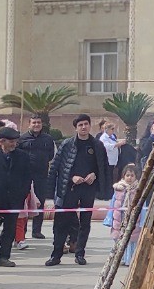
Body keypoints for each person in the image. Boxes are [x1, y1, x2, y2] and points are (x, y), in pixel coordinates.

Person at [46, 113, 108, 266]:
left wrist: (95, 175)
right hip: (69, 188)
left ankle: (80, 253)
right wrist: (70, 177)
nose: (83, 127)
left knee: (85, 222)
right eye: (80, 125)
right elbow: (55, 166)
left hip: (88, 188)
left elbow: (104, 167)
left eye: (86, 124)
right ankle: (56, 254)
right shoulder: (67, 144)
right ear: (76, 128)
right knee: (62, 222)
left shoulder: (97, 145)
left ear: (90, 125)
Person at [0, 126, 33, 267]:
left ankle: (3, 257)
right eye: (10, 141)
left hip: (14, 200)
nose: (14, 144)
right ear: (1, 141)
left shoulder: (23, 157)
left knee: (9, 230)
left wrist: (21, 195)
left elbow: (27, 178)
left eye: (15, 141)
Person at [20, 113, 56, 240]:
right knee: (23, 202)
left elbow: (51, 155)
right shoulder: (22, 139)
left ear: (42, 124)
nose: (36, 125)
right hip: (24, 176)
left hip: (41, 175)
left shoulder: (48, 139)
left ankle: (37, 230)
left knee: (40, 201)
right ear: (29, 124)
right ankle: (21, 232)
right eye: (34, 123)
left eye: (38, 123)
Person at [97, 119, 119, 200]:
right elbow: (107, 146)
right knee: (108, 177)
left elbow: (114, 142)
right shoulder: (103, 137)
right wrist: (118, 144)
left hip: (113, 160)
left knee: (111, 177)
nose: (113, 131)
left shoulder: (112, 136)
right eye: (112, 129)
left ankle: (110, 193)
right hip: (107, 160)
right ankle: (106, 194)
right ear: (107, 129)